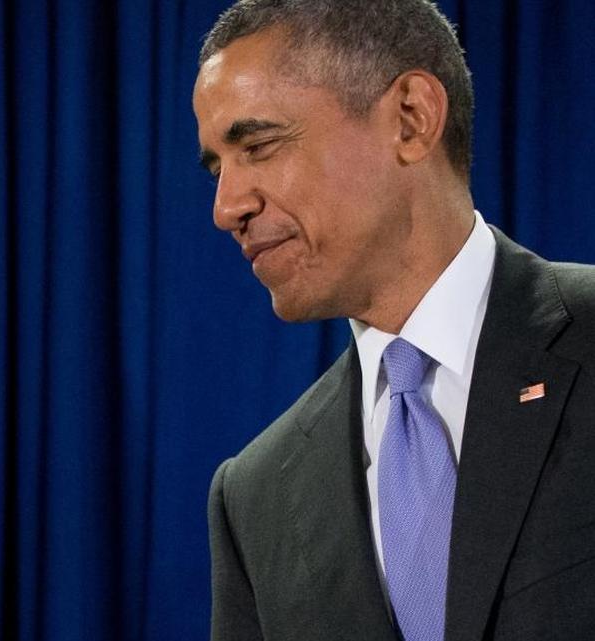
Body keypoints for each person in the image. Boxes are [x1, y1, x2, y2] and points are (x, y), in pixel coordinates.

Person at [193, 1, 595, 640]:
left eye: (259, 146)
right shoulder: (255, 498)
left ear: (412, 119)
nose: (226, 207)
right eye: (217, 168)